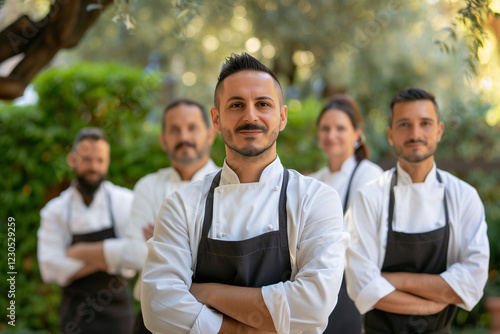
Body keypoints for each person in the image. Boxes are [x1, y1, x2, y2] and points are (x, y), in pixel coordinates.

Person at [141, 52, 349, 334]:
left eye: (263, 104)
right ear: (216, 119)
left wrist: (207, 292)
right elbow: (158, 308)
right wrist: (243, 330)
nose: (250, 116)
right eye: (236, 105)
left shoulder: (316, 200)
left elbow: (313, 306)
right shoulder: (181, 205)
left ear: (282, 116)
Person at [345, 88, 490, 333]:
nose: (415, 134)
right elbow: (363, 287)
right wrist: (431, 305)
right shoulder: (368, 198)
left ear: (439, 131)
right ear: (390, 135)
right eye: (404, 124)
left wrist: (395, 280)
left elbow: (472, 283)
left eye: (425, 123)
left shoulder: (464, 197)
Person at [128, 98, 219, 334]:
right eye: (174, 130)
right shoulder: (147, 187)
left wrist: (161, 242)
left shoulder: (229, 186)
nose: (183, 137)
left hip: (213, 317)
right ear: (163, 139)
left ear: (210, 135)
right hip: (152, 319)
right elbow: (136, 253)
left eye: (192, 128)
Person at [37, 127, 135, 334]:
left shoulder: (125, 201)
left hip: (118, 317)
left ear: (107, 162)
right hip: (75, 317)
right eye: (87, 159)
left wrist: (77, 252)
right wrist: (110, 257)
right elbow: (50, 269)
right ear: (72, 160)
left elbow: (134, 257)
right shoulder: (54, 211)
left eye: (100, 160)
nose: (94, 166)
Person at [309, 94, 383, 334]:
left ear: (356, 134)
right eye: (325, 128)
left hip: (352, 291)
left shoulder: (369, 175)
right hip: (315, 292)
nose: (331, 135)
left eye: (340, 128)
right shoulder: (312, 181)